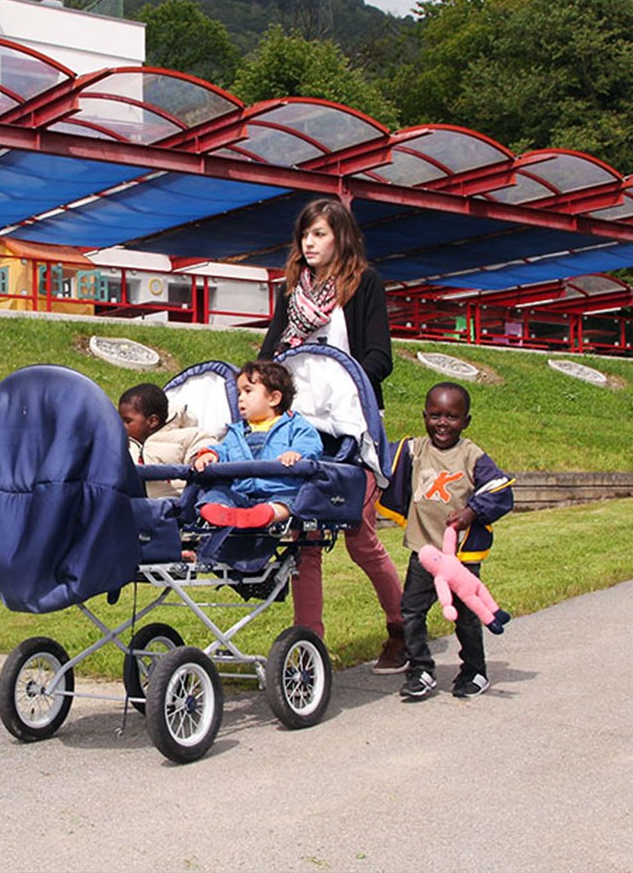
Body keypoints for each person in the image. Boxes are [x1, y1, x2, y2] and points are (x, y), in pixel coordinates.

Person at [259, 196, 406, 673]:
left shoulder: (364, 284)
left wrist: (339, 382)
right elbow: (269, 359)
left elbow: (379, 356)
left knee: (360, 536)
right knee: (304, 538)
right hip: (302, 430)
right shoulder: (292, 294)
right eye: (305, 233)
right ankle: (310, 652)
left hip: (350, 425)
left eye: (319, 233)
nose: (309, 242)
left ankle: (402, 626)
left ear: (341, 237)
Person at [379, 381, 515, 700]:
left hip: (460, 559)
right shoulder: (414, 450)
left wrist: (471, 511)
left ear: (465, 421)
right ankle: (421, 670)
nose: (443, 423)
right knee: (411, 611)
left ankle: (474, 671)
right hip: (424, 553)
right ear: (424, 416)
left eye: (452, 417)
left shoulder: (471, 455)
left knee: (466, 616)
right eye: (435, 415)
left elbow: (500, 489)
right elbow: (376, 454)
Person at [191, 360, 323, 526]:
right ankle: (221, 511)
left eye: (248, 391)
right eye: (239, 393)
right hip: (241, 490)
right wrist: (212, 454)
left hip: (278, 488)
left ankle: (270, 513)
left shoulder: (294, 424)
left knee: (290, 499)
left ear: (274, 398)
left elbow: (311, 444)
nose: (240, 399)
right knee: (218, 493)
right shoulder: (237, 431)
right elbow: (226, 450)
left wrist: (297, 452)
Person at [118, 382, 214, 499]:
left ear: (152, 421)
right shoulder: (122, 441)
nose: (120, 425)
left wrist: (200, 456)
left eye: (127, 421)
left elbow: (204, 440)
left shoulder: (181, 436)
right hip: (128, 503)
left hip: (172, 503)